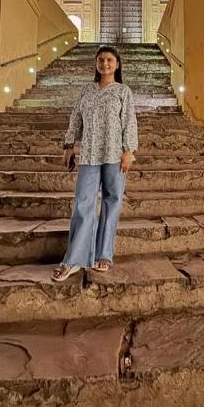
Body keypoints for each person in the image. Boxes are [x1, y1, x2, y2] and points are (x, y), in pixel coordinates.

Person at [51, 45, 138, 282]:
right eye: (101, 60)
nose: (105, 63)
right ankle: (74, 259)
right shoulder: (86, 90)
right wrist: (69, 145)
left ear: (117, 65)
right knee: (83, 203)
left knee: (112, 202)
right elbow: (75, 118)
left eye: (109, 60)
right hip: (89, 154)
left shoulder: (123, 91)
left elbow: (129, 121)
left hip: (115, 154)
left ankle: (103, 254)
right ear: (96, 63)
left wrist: (129, 151)